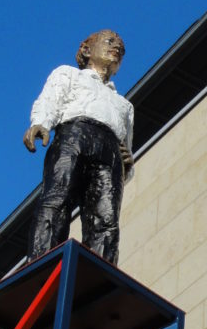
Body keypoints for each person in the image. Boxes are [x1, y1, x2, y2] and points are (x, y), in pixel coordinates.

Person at [23, 29, 134, 265]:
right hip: (74, 137)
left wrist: (127, 162)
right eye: (110, 41)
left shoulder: (124, 105)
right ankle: (42, 260)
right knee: (57, 198)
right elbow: (51, 99)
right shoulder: (68, 74)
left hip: (109, 148)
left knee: (106, 217)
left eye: (121, 48)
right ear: (86, 49)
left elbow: (127, 146)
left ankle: (99, 271)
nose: (117, 47)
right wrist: (41, 123)